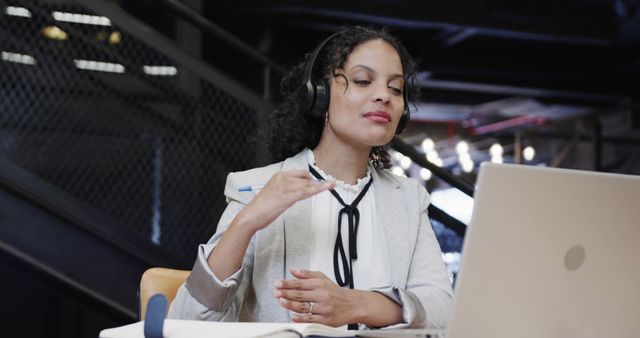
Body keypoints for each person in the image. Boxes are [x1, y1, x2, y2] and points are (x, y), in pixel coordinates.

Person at [168, 26, 453, 330]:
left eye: (396, 89)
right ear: (319, 94)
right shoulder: (257, 188)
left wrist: (357, 304)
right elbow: (186, 322)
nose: (384, 95)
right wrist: (245, 223)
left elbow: (443, 313)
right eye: (362, 81)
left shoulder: (409, 198)